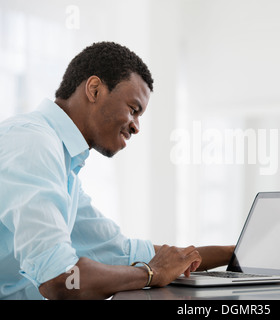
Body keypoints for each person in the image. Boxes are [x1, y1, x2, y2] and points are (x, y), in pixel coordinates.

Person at [0, 42, 233, 300]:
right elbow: (61, 280)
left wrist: (235, 253)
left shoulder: (63, 165)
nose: (136, 127)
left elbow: (121, 252)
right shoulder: (33, 145)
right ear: (95, 89)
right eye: (133, 110)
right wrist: (150, 274)